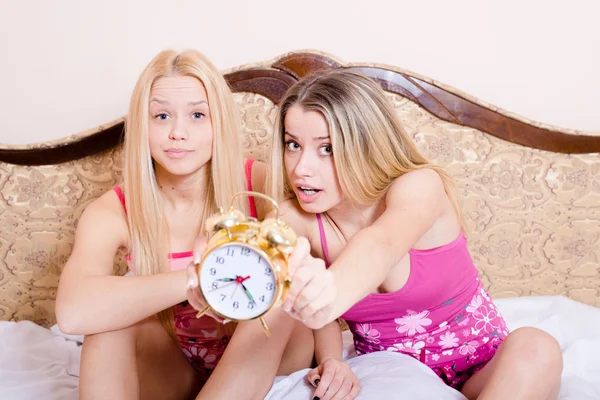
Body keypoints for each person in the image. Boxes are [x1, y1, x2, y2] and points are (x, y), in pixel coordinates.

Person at [266, 69, 563, 400]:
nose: (300, 168)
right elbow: (316, 315)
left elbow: (382, 244)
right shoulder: (293, 218)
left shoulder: (420, 185)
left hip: (486, 368)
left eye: (327, 149)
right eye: (293, 144)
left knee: (538, 347)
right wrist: (332, 360)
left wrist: (328, 295)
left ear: (367, 144)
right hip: (393, 376)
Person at [56, 49, 313, 400]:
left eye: (197, 115)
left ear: (218, 122)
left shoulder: (262, 184)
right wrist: (197, 279)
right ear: (142, 125)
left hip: (267, 355)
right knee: (105, 323)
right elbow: (72, 314)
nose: (178, 132)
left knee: (278, 296)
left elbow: (314, 265)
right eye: (161, 116)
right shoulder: (114, 210)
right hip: (180, 361)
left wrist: (332, 358)